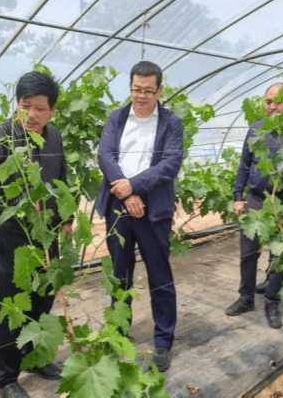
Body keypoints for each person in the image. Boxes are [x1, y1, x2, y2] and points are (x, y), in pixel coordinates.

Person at [0, 71, 72, 398]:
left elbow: (61, 177)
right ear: (17, 104)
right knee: (13, 306)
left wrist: (66, 217)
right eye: (25, 106)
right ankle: (6, 378)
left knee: (43, 299)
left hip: (46, 234)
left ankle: (34, 357)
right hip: (12, 234)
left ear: (52, 110)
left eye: (40, 108)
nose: (31, 115)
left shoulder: (54, 137)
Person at [95, 61, 183, 372]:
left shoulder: (171, 123)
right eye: (136, 89)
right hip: (119, 205)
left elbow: (170, 164)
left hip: (153, 209)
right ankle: (118, 332)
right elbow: (105, 155)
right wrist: (126, 192)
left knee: (160, 276)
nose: (141, 96)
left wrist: (134, 186)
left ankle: (163, 340)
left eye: (148, 91)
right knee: (120, 273)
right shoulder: (117, 117)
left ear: (159, 90)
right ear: (130, 88)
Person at [225, 83, 283, 329]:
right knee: (248, 252)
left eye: (278, 101)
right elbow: (244, 165)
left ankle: (272, 302)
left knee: (280, 255)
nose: (272, 106)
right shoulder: (256, 129)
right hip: (255, 198)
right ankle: (246, 297)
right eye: (268, 101)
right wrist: (237, 196)